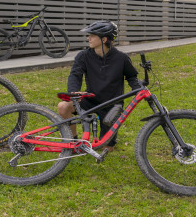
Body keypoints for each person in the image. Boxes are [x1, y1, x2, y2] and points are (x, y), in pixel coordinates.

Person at [57, 20, 142, 152]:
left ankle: (106, 138)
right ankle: (72, 142)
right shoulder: (83, 56)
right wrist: (73, 92)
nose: (88, 38)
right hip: (89, 100)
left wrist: (138, 90)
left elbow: (131, 77)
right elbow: (75, 75)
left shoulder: (122, 58)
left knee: (107, 147)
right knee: (63, 106)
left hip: (112, 105)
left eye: (92, 35)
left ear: (104, 39)